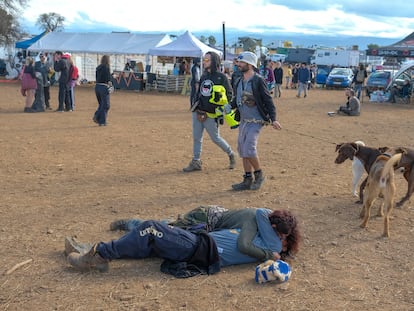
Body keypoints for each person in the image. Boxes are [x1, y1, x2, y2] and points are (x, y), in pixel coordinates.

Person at [66, 208, 300, 276]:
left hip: (197, 247)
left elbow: (260, 212)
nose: (273, 231)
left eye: (278, 231)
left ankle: (98, 255)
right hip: (197, 243)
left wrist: (274, 247)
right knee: (151, 240)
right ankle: (94, 251)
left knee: (150, 227)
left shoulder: (273, 246)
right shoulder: (264, 240)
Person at [108, 206, 301, 262]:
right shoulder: (254, 219)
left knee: (170, 227)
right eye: (280, 236)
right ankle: (132, 224)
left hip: (211, 221)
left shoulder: (263, 223)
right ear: (272, 226)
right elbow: (244, 245)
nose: (280, 239)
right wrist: (269, 255)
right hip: (206, 220)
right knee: (165, 230)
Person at [226, 51, 282, 191]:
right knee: (242, 149)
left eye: (242, 62)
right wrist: (230, 106)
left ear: (250, 64)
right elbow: (237, 98)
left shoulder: (258, 80)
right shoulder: (239, 80)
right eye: (239, 62)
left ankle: (259, 175)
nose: (239, 65)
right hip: (244, 120)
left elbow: (268, 100)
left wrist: (273, 119)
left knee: (249, 148)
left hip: (256, 120)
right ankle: (247, 179)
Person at [183, 51, 236, 172]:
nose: (204, 62)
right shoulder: (204, 76)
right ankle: (196, 161)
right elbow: (200, 93)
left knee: (215, 138)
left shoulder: (221, 77)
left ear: (214, 62)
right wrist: (195, 105)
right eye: (204, 60)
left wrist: (221, 109)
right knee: (197, 137)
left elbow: (229, 94)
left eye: (207, 60)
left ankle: (231, 154)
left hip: (212, 114)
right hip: (198, 111)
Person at [93, 55, 113, 126]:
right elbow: (108, 79)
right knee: (106, 105)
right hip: (103, 87)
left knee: (102, 104)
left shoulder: (98, 67)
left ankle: (102, 121)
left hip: (97, 86)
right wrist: (112, 80)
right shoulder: (107, 67)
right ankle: (97, 116)